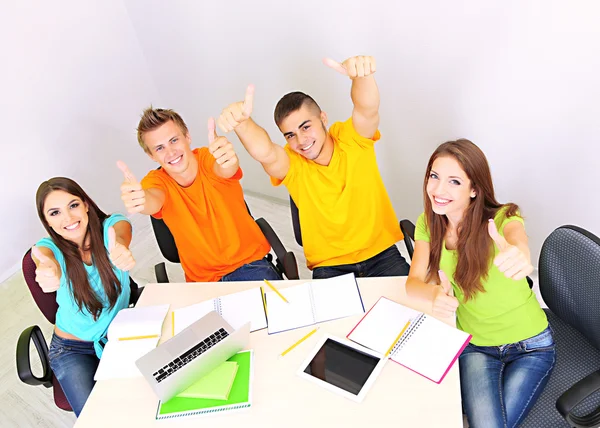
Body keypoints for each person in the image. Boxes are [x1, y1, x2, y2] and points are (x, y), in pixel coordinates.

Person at [217, 55, 409, 279]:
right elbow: (265, 153)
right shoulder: (293, 163)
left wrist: (361, 77)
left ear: (323, 118)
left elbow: (367, 109)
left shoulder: (351, 139)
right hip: (330, 267)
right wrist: (242, 123)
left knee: (412, 311)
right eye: (291, 135)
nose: (301, 140)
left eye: (306, 127)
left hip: (382, 256)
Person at [405, 139, 554, 428]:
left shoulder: (501, 218)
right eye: (434, 177)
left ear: (474, 189)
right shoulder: (428, 223)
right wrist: (433, 293)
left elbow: (515, 237)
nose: (438, 190)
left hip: (530, 346)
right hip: (476, 346)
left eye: (454, 182)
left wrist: (519, 252)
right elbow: (413, 283)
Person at [118, 108, 281, 282]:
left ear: (187, 137)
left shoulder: (210, 157)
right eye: (160, 148)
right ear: (151, 155)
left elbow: (225, 169)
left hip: (249, 266)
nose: (171, 152)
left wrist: (227, 160)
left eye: (174, 140)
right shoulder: (155, 182)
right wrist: (140, 200)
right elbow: (153, 200)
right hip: (202, 282)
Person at [32, 177, 135, 416]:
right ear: (47, 221)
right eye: (55, 212)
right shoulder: (49, 248)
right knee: (96, 419)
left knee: (144, 400)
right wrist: (48, 270)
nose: (68, 218)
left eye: (73, 205)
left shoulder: (110, 227)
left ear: (86, 204)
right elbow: (44, 259)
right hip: (71, 349)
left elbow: (120, 234)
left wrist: (119, 248)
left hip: (119, 332)